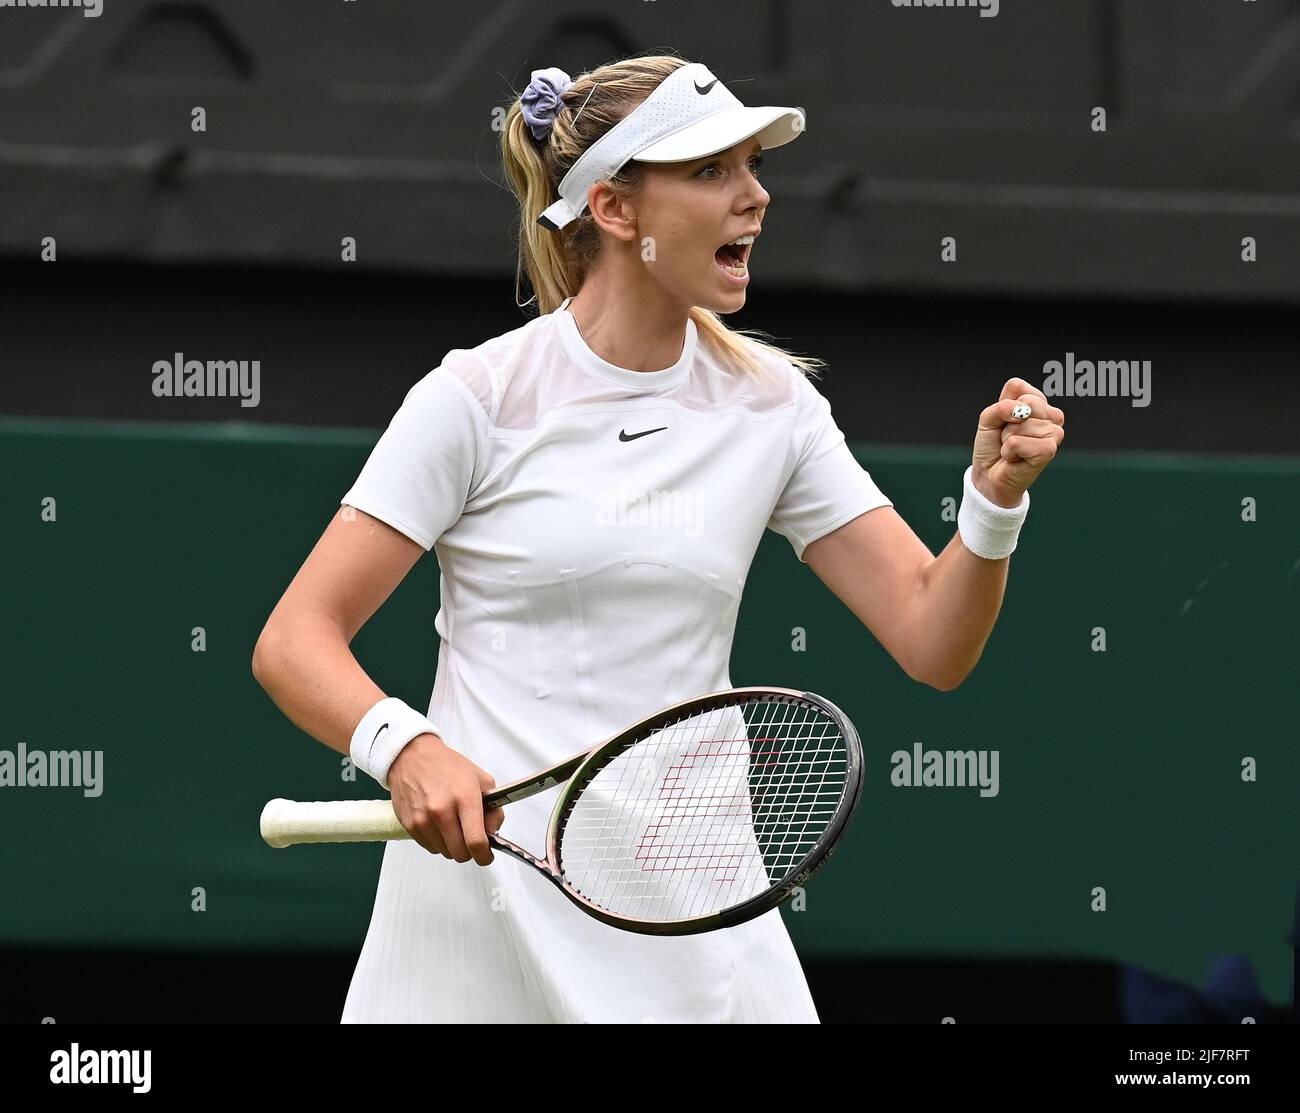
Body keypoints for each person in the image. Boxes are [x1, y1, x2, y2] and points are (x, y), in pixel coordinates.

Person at [251, 53, 1064, 1024]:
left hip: (697, 905)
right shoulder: (475, 399)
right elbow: (295, 638)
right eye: (712, 171)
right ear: (614, 211)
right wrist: (406, 747)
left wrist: (991, 504)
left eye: (755, 167)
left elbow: (934, 642)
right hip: (481, 916)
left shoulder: (774, 410)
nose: (756, 197)